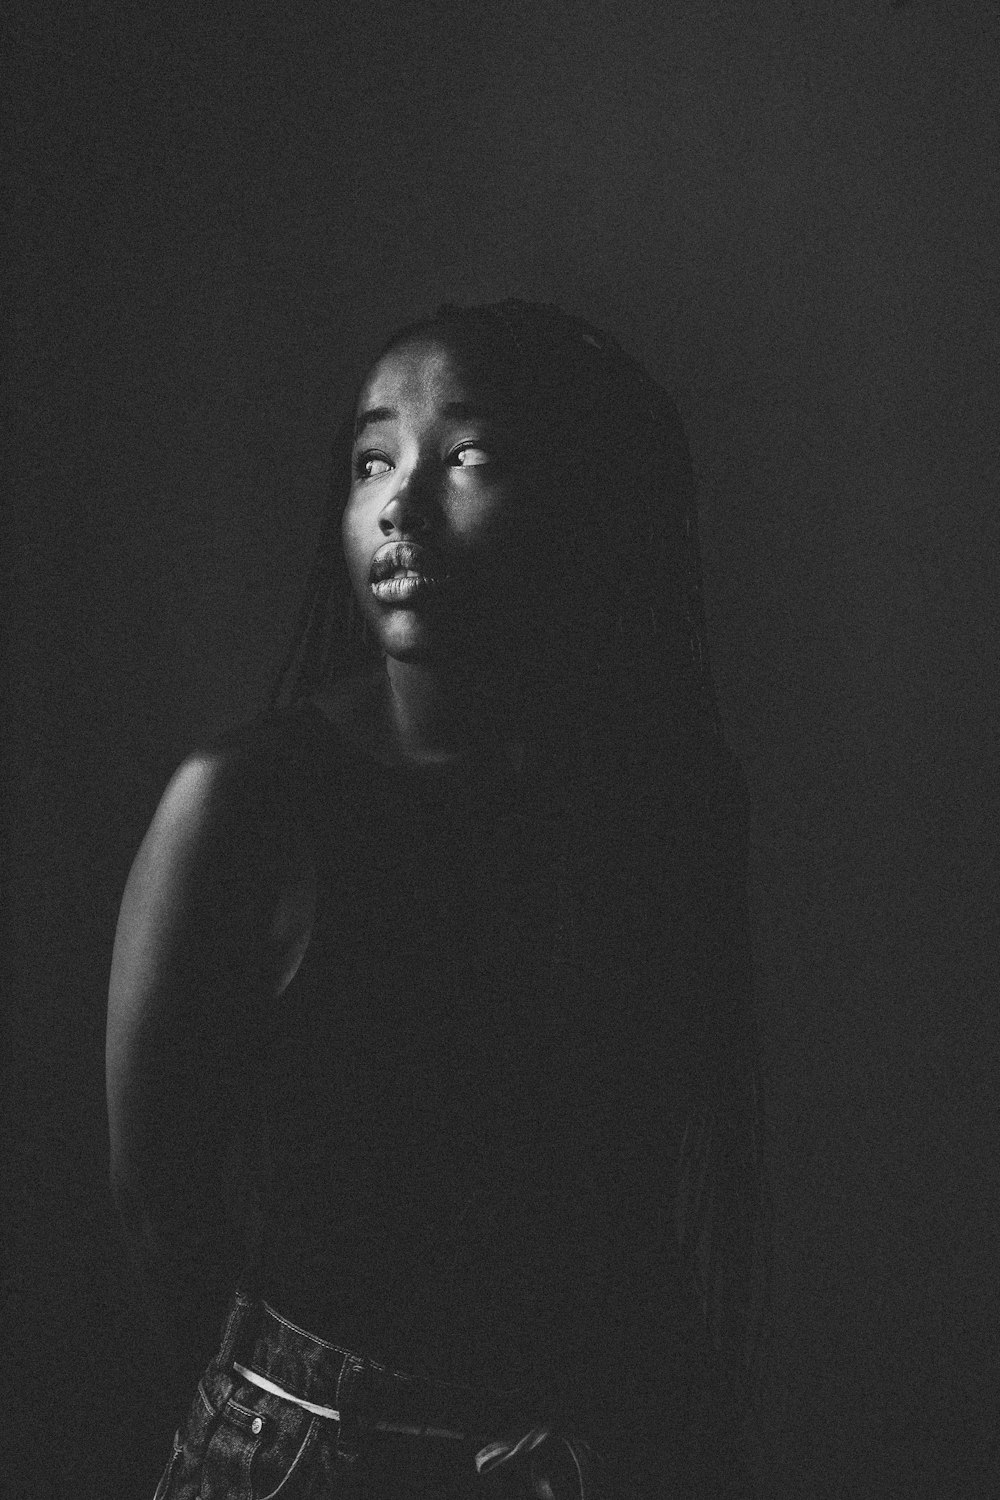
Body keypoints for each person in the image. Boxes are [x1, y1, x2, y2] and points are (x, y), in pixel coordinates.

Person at [106, 298, 772, 1498]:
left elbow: (695, 1163)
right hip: (306, 1451)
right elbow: (161, 1197)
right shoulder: (245, 802)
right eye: (372, 460)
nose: (398, 508)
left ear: (581, 503)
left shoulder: (673, 801)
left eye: (467, 458)